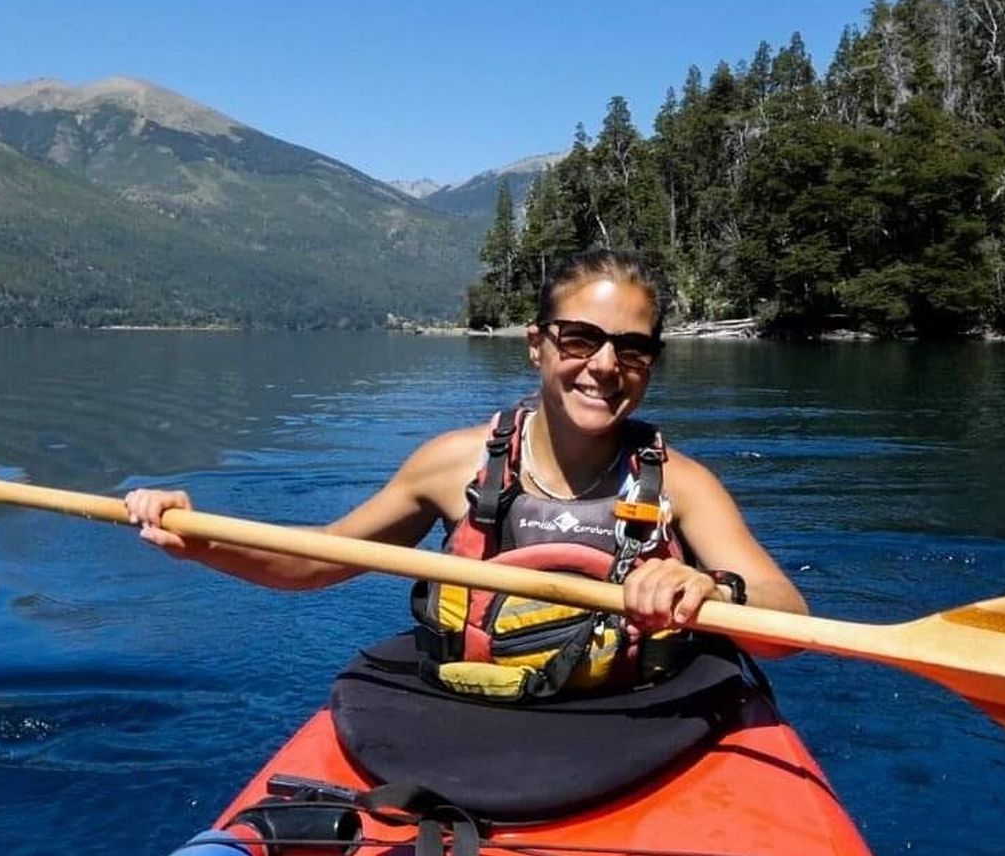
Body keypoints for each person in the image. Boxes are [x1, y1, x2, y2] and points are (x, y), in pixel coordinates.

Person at [125, 250, 806, 685]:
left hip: (632, 725)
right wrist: (201, 540)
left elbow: (787, 619)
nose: (604, 365)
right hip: (477, 722)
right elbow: (318, 562)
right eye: (580, 338)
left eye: (632, 348)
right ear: (537, 346)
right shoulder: (453, 465)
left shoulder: (681, 485)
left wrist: (712, 592)